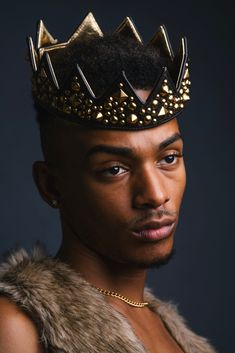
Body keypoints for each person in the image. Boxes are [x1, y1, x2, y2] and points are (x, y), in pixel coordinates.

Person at [0, 12, 217, 353]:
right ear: (51, 187)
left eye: (169, 158)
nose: (156, 195)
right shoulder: (18, 325)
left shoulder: (170, 329)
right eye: (115, 169)